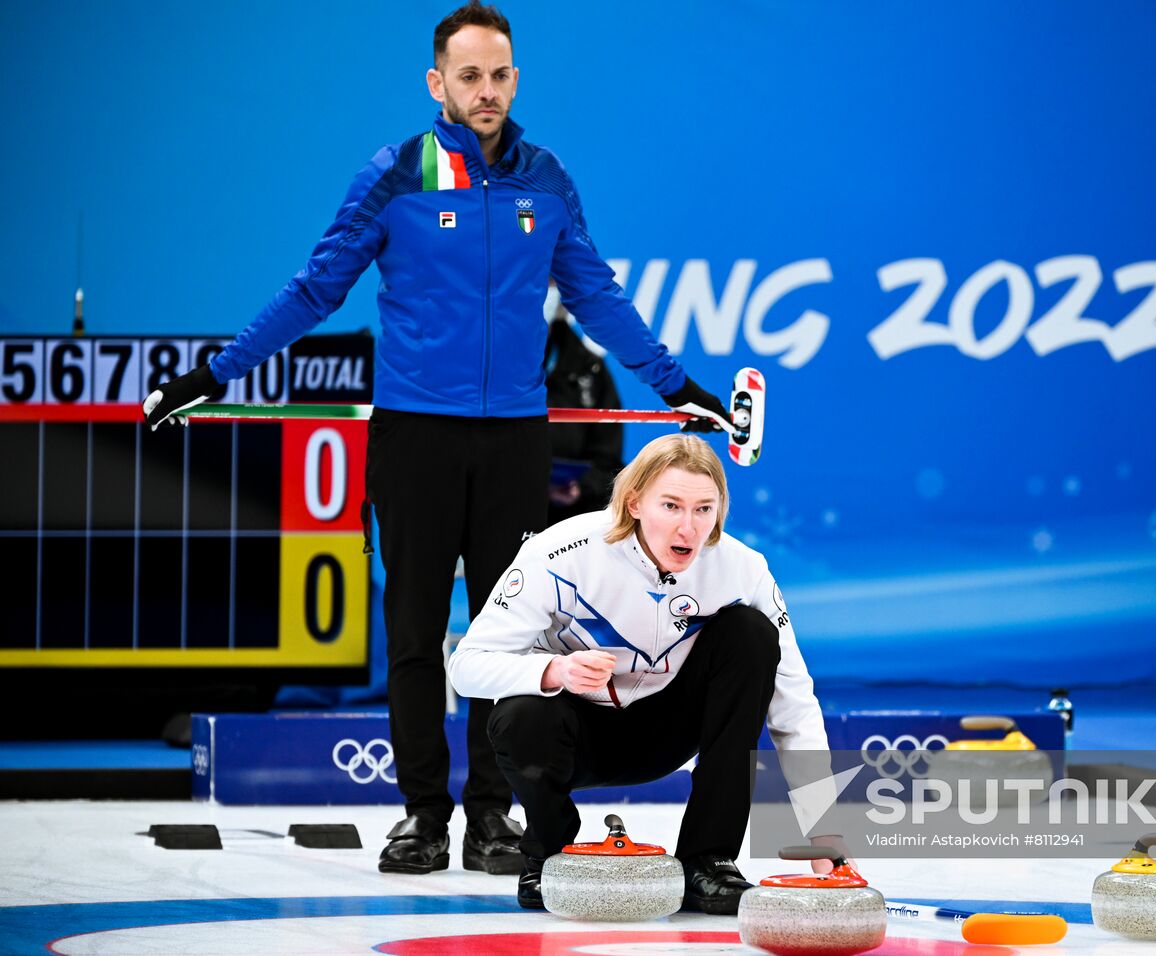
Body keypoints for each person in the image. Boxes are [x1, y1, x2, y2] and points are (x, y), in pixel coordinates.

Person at [141, 1, 734, 877]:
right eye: (468, 77)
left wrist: (681, 388)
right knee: (417, 631)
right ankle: (422, 815)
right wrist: (215, 376)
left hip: (513, 443)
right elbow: (314, 291)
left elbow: (599, 297)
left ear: (514, 79)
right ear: (437, 83)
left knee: (519, 635)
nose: (485, 92)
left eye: (499, 75)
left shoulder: (547, 177)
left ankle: (493, 816)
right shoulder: (396, 174)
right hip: (416, 435)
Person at [447, 434, 830, 914]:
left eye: (704, 509)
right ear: (634, 502)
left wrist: (825, 830)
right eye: (671, 505)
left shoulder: (743, 569)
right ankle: (548, 854)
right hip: (572, 731)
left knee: (751, 634)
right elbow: (467, 666)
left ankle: (706, 861)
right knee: (519, 714)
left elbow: (792, 699)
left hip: (667, 730)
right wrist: (554, 670)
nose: (688, 529)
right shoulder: (559, 551)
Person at [543, 293, 625, 524]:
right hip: (499, 509)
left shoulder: (590, 369)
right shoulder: (485, 367)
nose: (544, 291)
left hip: (567, 521)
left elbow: (608, 464)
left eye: (551, 281)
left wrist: (581, 487)